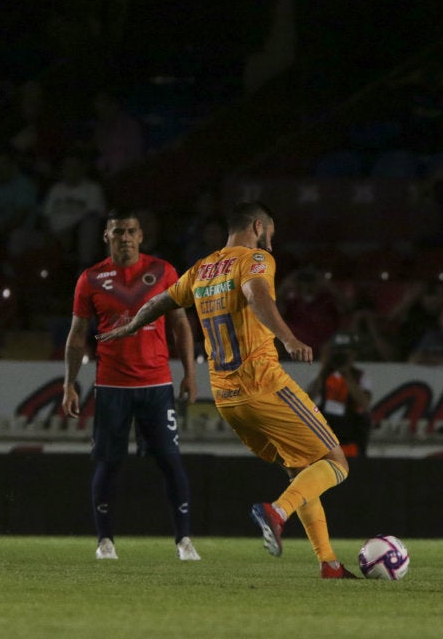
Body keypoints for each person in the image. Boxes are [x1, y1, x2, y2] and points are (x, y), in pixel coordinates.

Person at [97, 201, 357, 579]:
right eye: (271, 232)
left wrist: (128, 326)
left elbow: (160, 302)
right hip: (263, 382)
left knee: (300, 469)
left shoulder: (202, 268)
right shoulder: (254, 259)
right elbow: (256, 295)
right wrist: (287, 336)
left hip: (226, 397)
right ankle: (276, 512)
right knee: (336, 462)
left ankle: (329, 563)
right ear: (258, 226)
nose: (271, 241)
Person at [61, 208, 201, 562]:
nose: (124, 237)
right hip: (112, 387)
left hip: (156, 384)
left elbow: (180, 325)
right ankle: (104, 541)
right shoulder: (90, 279)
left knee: (170, 461)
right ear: (106, 237)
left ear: (141, 236)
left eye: (130, 231)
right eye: (117, 231)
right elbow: (77, 336)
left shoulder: (163, 271)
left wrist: (190, 373)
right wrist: (69, 384)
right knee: (108, 462)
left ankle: (184, 541)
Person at [307, 333, 372, 457]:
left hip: (350, 429)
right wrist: (324, 369)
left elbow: (365, 404)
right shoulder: (323, 375)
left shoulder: (360, 376)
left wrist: (346, 374)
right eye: (337, 351)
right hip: (327, 429)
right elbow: (307, 399)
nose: (341, 355)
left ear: (353, 354)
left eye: (346, 351)